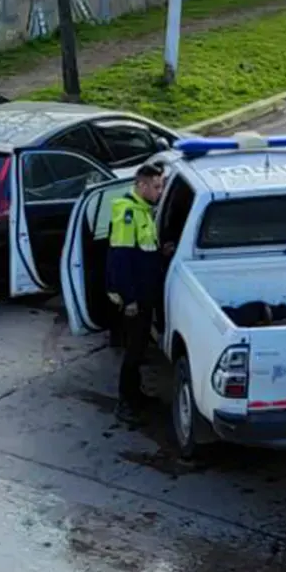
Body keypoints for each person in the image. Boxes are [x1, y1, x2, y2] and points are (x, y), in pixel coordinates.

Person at [106, 161, 168, 420]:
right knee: (133, 350)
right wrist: (129, 299)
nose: (160, 192)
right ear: (141, 185)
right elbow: (120, 259)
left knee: (140, 347)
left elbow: (144, 250)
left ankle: (136, 395)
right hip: (135, 296)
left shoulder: (144, 210)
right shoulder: (128, 213)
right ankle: (125, 403)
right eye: (156, 186)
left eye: (161, 186)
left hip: (145, 291)